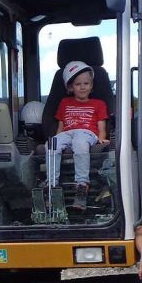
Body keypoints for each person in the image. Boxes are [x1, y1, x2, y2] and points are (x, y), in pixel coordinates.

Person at [47, 60, 109, 210]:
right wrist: (57, 139)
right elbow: (61, 125)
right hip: (68, 133)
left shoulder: (99, 104)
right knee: (52, 144)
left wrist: (101, 137)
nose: (82, 87)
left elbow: (101, 124)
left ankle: (82, 185)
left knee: (80, 141)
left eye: (86, 84)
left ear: (91, 85)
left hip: (88, 133)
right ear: (70, 87)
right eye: (78, 84)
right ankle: (51, 186)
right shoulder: (64, 102)